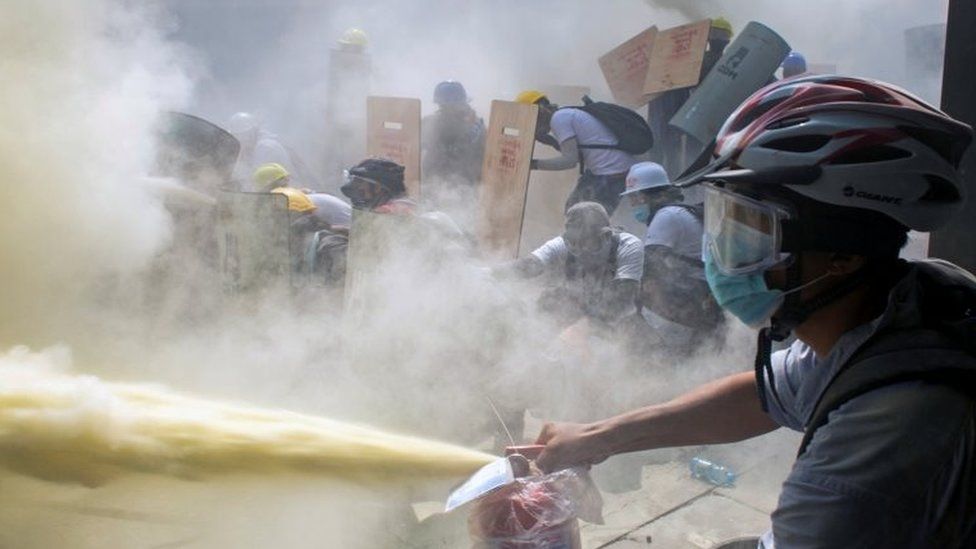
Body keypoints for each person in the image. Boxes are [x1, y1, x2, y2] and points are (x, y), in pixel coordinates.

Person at [533, 75, 976, 548]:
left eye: (749, 226)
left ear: (842, 256)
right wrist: (596, 437)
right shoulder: (903, 311)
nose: (719, 248)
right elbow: (764, 395)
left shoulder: (871, 455)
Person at [621, 162, 723, 354]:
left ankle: (657, 350)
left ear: (649, 195)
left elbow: (648, 266)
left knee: (632, 295)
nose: (633, 205)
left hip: (699, 295)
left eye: (635, 198)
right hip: (704, 291)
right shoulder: (675, 212)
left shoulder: (666, 216)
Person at [507, 202, 644, 332]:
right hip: (579, 313)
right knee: (549, 301)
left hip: (619, 321)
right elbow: (528, 265)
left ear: (605, 236)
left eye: (584, 242)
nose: (578, 250)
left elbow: (623, 300)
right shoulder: (563, 243)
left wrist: (584, 326)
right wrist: (488, 274)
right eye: (572, 243)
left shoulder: (628, 246)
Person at [515, 91, 638, 216]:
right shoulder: (564, 113)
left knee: (586, 219)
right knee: (573, 209)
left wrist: (533, 164)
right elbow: (580, 154)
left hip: (612, 172)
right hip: (605, 171)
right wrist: (551, 141)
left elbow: (570, 161)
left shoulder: (559, 119)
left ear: (539, 112)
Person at [647, 17, 734, 177]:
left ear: (708, 37)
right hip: (711, 115)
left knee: (678, 148)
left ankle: (680, 179)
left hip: (689, 111)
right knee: (704, 151)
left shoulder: (695, 60)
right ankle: (695, 180)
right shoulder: (729, 63)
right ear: (728, 40)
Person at [422, 80, 486, 188]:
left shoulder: (475, 126)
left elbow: (484, 157)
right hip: (433, 183)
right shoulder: (429, 123)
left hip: (466, 186)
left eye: (453, 106)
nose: (447, 110)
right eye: (443, 107)